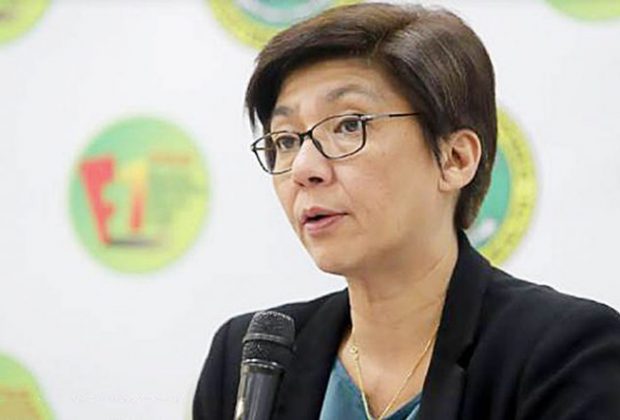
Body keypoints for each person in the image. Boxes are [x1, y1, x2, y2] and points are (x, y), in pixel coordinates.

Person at [193, 3, 620, 419]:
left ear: (455, 159)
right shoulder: (245, 359)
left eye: (349, 125)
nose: (304, 168)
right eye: (286, 140)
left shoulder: (565, 353)